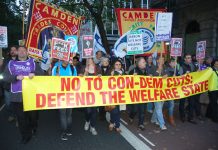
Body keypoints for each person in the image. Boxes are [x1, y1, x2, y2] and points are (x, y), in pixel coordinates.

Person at [3, 46, 43, 144]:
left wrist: (34, 73)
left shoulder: (33, 62)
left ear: (27, 52)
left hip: (31, 95)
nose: (21, 52)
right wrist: (15, 77)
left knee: (33, 116)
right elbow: (5, 77)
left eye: (24, 50)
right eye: (19, 50)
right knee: (21, 118)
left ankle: (33, 127)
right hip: (17, 96)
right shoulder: (10, 63)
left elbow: (41, 73)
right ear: (17, 52)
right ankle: (25, 136)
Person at [52, 60, 77, 141]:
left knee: (69, 115)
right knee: (63, 114)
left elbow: (76, 81)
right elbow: (50, 82)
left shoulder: (73, 68)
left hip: (70, 95)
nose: (67, 60)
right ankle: (64, 132)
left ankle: (69, 129)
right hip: (60, 95)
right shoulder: (56, 68)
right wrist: (56, 77)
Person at [83, 58, 101, 135]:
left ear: (93, 60)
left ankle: (92, 127)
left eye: (90, 59)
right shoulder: (84, 68)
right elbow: (81, 81)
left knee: (94, 111)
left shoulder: (98, 68)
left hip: (96, 94)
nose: (89, 61)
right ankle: (87, 121)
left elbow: (103, 79)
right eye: (87, 60)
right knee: (88, 110)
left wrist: (100, 76)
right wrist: (85, 73)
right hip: (87, 94)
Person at [128, 57, 147, 130]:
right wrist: (132, 77)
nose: (145, 63)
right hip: (136, 94)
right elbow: (127, 82)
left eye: (145, 62)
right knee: (135, 109)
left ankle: (141, 124)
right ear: (138, 63)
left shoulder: (146, 71)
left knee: (142, 110)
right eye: (143, 62)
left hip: (143, 94)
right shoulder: (133, 71)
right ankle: (131, 116)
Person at [178, 53, 197, 124]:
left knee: (192, 103)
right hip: (183, 88)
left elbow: (196, 74)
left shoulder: (193, 65)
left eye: (190, 58)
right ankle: (182, 116)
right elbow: (179, 78)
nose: (190, 59)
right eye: (188, 58)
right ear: (185, 59)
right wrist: (184, 75)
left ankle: (190, 117)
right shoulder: (181, 67)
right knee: (182, 102)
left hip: (191, 88)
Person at [0, 46, 17, 123]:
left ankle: (18, 118)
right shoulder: (6, 61)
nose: (13, 51)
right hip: (8, 86)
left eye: (14, 50)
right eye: (11, 50)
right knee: (8, 103)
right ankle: (12, 114)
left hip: (18, 86)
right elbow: (2, 73)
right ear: (10, 52)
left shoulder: (21, 60)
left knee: (19, 103)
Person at [151, 56, 168, 130]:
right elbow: (151, 77)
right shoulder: (153, 67)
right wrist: (158, 70)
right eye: (161, 59)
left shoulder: (165, 68)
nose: (162, 61)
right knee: (158, 108)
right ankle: (162, 124)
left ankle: (153, 119)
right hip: (155, 91)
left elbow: (169, 76)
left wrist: (168, 76)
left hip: (163, 91)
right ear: (157, 60)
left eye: (163, 59)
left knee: (159, 107)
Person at [108, 59, 124, 132]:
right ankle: (112, 122)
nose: (118, 66)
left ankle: (117, 125)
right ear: (114, 66)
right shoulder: (111, 73)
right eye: (116, 64)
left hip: (122, 95)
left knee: (118, 111)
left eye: (119, 64)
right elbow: (107, 83)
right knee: (114, 110)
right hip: (113, 94)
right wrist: (111, 76)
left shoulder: (123, 73)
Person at [164, 59, 179, 126]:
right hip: (168, 89)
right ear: (170, 64)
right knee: (171, 104)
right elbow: (165, 79)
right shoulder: (167, 70)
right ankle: (171, 118)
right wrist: (171, 77)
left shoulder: (177, 70)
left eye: (175, 62)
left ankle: (166, 112)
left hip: (174, 89)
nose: (174, 63)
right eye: (173, 62)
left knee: (171, 103)